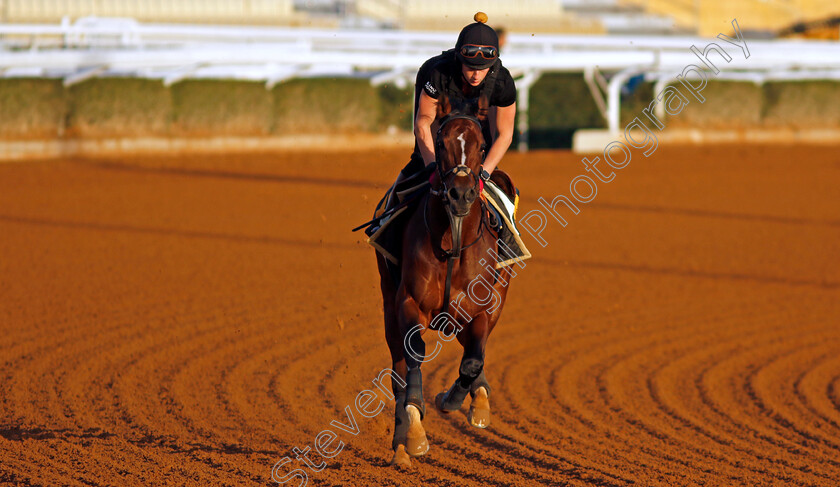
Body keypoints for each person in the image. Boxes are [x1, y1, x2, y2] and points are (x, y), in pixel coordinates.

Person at [383, 12, 517, 210]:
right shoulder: (437, 73)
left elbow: (505, 134)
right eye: (470, 66)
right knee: (412, 171)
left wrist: (485, 175)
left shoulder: (503, 81)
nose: (476, 74)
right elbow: (423, 122)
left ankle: (508, 235)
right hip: (439, 126)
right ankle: (386, 217)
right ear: (458, 58)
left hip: (476, 136)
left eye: (484, 68)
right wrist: (431, 169)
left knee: (509, 197)